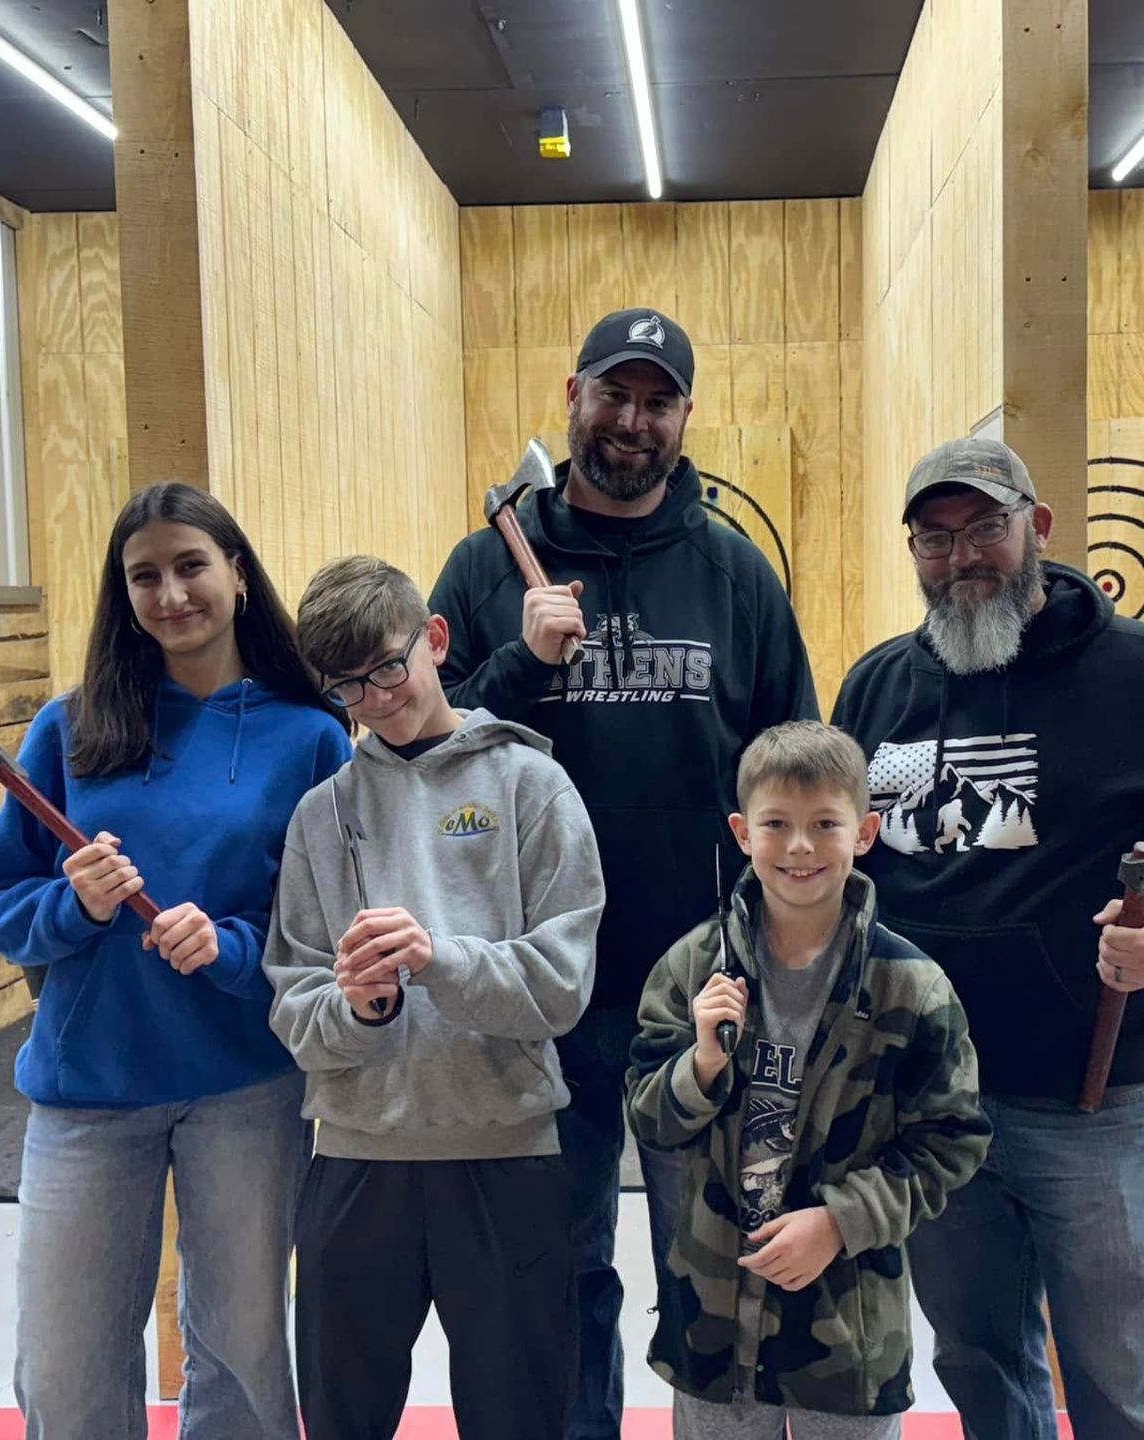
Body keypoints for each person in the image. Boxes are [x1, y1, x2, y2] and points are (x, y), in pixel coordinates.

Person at [831, 436, 1144, 1440]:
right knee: (977, 1361)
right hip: (931, 1104)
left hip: (1092, 1109)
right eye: (935, 536)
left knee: (1124, 1377)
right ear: (911, 550)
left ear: (1038, 528)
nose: (962, 556)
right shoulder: (876, 690)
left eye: (985, 529)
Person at [429, 306, 819, 1438]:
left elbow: (793, 773)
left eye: (658, 401)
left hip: (698, 999)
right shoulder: (485, 565)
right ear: (572, 395)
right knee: (557, 1282)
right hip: (533, 1000)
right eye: (614, 394)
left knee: (720, 1275)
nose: (633, 421)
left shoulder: (735, 577)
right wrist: (521, 663)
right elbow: (423, 751)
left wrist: (782, 953)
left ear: (686, 418)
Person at [0, 482, 351, 1440]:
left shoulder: (311, 736)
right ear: (122, 594)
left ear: (238, 576)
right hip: (89, 1089)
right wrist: (75, 903)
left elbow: (325, 932)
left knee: (245, 1355)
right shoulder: (72, 727)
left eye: (191, 566)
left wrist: (231, 949)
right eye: (145, 576)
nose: (171, 593)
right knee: (65, 1363)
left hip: (246, 1088)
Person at [264, 555, 605, 1440]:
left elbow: (563, 986)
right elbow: (294, 1009)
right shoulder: (320, 815)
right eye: (347, 687)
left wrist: (438, 959)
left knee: (517, 1418)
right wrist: (360, 1009)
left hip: (505, 1155)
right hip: (355, 1158)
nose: (376, 698)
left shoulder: (532, 785)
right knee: (341, 1420)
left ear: (436, 641)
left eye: (388, 666)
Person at [626, 720, 991, 1437]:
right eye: (776, 824)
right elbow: (649, 1121)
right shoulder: (691, 968)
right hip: (713, 1325)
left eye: (825, 823)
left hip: (846, 1331)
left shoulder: (912, 989)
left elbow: (952, 1142)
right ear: (741, 831)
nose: (799, 846)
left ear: (865, 832)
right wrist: (701, 1063)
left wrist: (841, 1221)